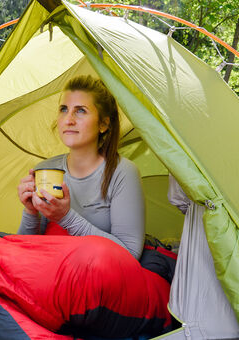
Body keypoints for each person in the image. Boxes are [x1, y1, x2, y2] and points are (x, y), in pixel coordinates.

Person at [17, 75, 145, 259]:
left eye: (80, 111)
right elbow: (22, 253)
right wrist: (30, 211)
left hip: (95, 277)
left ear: (103, 124)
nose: (68, 120)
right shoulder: (45, 169)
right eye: (63, 109)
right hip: (48, 271)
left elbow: (129, 254)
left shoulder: (123, 172)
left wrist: (65, 217)